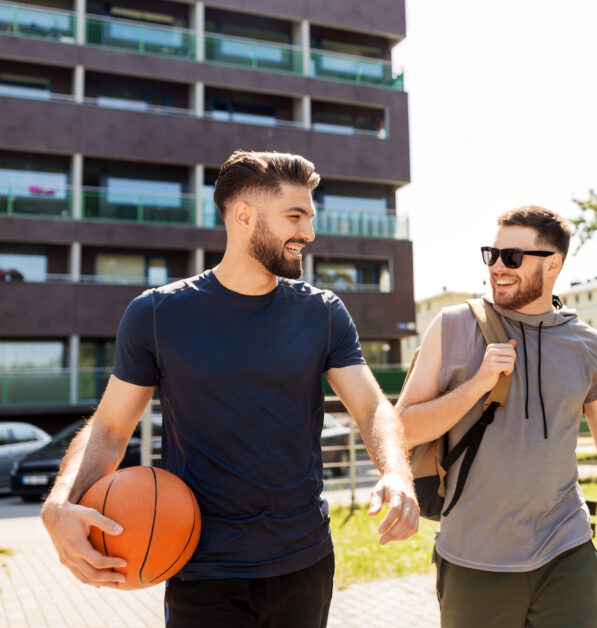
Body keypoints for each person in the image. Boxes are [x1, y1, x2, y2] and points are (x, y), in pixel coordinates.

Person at [40, 150, 419, 626]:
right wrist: (61, 501)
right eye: (294, 216)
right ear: (243, 216)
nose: (309, 233)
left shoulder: (322, 313)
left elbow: (370, 408)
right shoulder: (157, 315)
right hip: (201, 569)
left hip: (303, 561)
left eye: (310, 217)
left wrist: (396, 473)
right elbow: (112, 429)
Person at [396, 206, 597, 627]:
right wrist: (477, 384)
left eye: (513, 257)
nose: (498, 267)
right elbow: (401, 429)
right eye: (492, 254)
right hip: (472, 557)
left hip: (565, 552)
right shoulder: (451, 326)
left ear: (553, 264)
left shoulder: (587, 347)